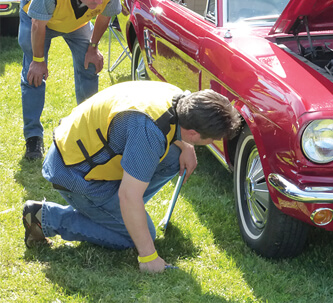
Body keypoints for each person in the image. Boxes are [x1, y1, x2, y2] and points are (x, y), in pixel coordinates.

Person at [22, 81, 242, 273]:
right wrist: (148, 257)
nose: (212, 143)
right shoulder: (148, 133)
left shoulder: (178, 98)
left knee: (174, 156)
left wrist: (186, 146)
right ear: (193, 133)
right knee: (138, 236)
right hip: (74, 174)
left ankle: (117, 213)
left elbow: (159, 124)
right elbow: (128, 195)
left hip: (78, 150)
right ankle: (44, 218)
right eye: (212, 139)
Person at [18, 0, 121, 160]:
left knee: (89, 65)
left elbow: (105, 15)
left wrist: (93, 47)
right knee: (34, 76)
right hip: (39, 20)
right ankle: (33, 138)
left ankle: (87, 128)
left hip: (76, 22)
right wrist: (38, 61)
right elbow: (39, 25)